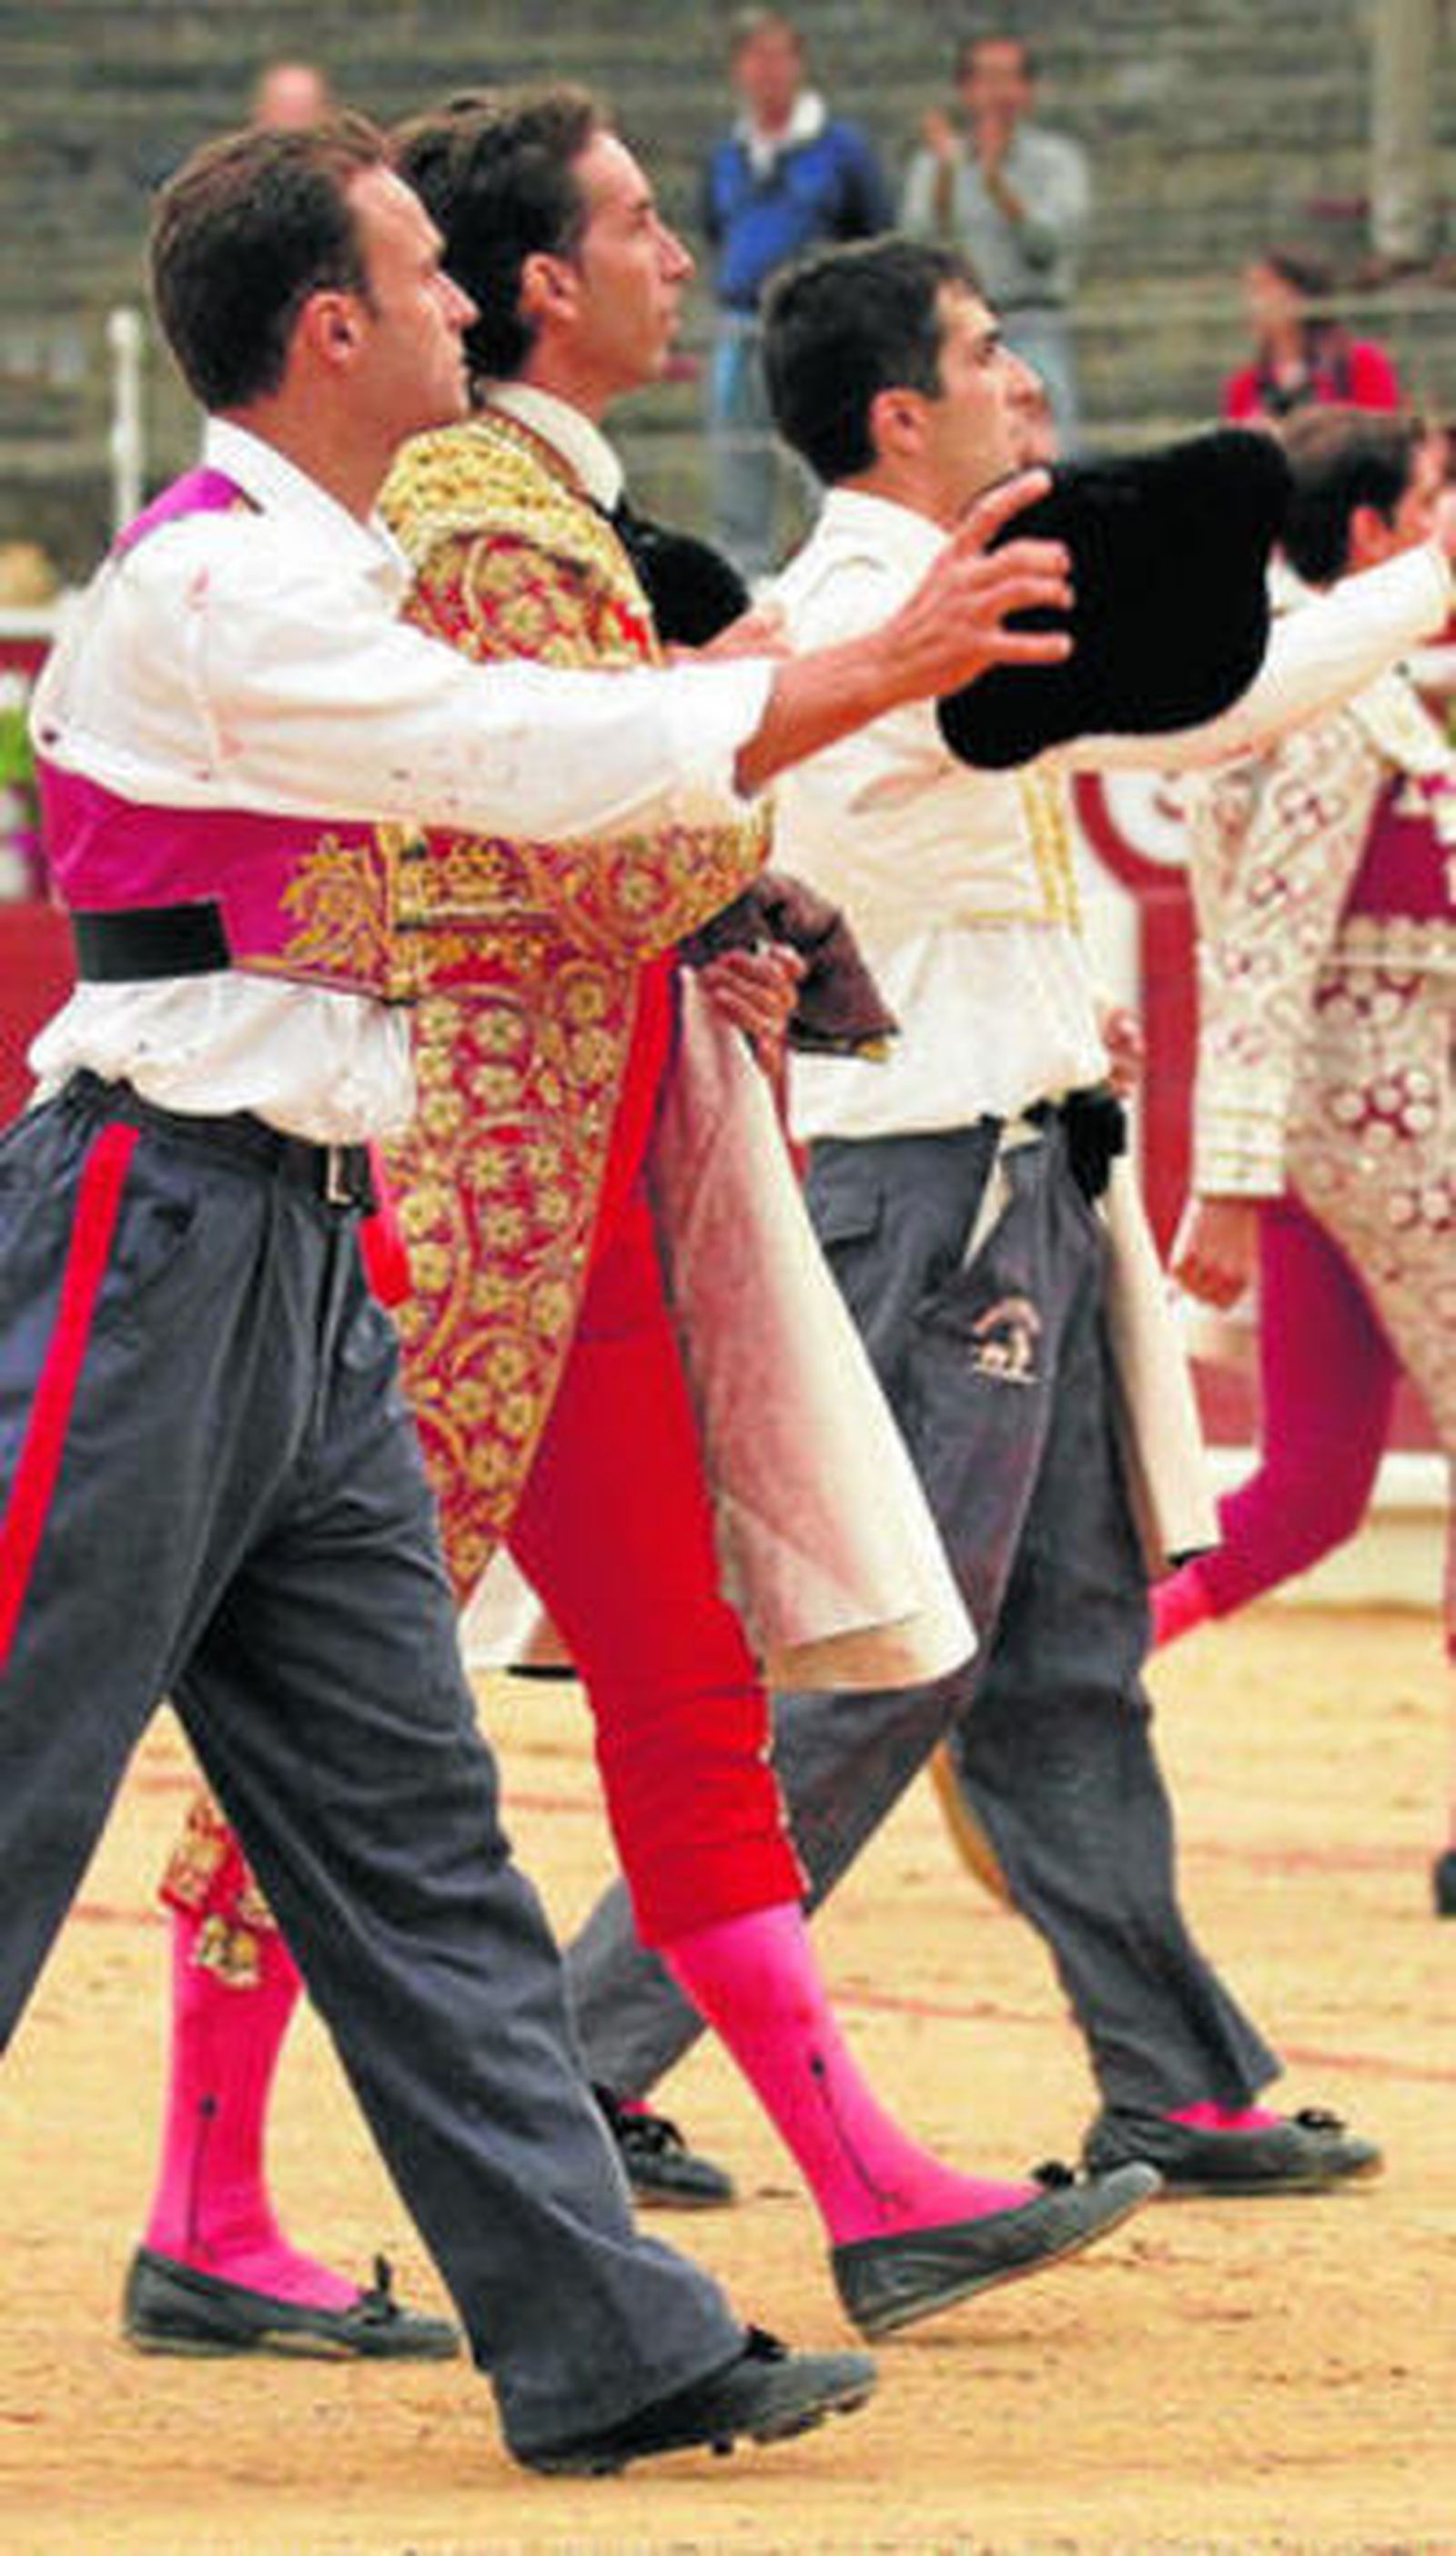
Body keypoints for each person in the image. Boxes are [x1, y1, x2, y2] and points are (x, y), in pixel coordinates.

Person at [3, 114, 1090, 2471]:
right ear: (330, 331)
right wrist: (832, 674)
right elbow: (519, 764)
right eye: (423, 275)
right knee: (10, 1776)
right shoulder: (228, 589)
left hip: (304, 1257)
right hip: (161, 1231)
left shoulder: (381, 551)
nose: (463, 307)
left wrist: (764, 747)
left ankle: (607, 2339)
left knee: (415, 1839)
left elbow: (551, 762)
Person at [560, 234, 1455, 2202]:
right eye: (985, 358)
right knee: (900, 1652)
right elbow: (1207, 714)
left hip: (1008, 1164)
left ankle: (1178, 2079)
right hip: (936, 1191)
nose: (1025, 384)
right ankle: (582, 2062)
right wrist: (1429, 576)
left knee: (1058, 1652)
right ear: (900, 414)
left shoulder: (903, 587)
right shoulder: (892, 596)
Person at [1153, 406, 1456, 1916]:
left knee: (1317, 1484)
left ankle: (1058, 1680)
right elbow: (1264, 953)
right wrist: (1233, 1170)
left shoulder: (1335, 698)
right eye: (1437, 505)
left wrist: (1259, 1163)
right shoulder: (1336, 709)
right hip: (1391, 1121)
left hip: (1339, 1129)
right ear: (1372, 541)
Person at [701, 9, 890, 581]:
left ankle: (841, 578)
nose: (769, 72)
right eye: (757, 58)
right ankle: (745, 581)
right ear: (739, 69)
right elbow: (715, 228)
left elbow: (873, 228)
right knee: (738, 466)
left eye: (780, 57)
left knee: (823, 465)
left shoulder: (840, 149)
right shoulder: (728, 155)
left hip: (815, 330)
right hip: (740, 328)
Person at [901, 34, 1089, 451]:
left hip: (1034, 324)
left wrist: (996, 185)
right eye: (986, 79)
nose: (998, 92)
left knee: (1053, 460)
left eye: (1009, 78)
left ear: (1028, 90)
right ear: (966, 90)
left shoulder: (1057, 161)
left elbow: (1050, 247)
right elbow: (918, 247)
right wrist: (947, 178)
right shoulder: (935, 163)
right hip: (961, 334)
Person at [1221, 248, 1402, 427]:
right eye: (1249, 291)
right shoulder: (1244, 385)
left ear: (1302, 295)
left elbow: (1385, 438)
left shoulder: (1360, 363)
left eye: (1264, 288)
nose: (1252, 303)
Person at [251, 59, 337, 131]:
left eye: (305, 109)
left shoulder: (345, 149)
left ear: (326, 112)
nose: (295, 124)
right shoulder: (244, 150)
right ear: (261, 111)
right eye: (285, 107)